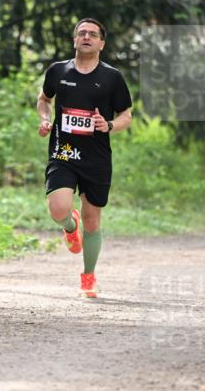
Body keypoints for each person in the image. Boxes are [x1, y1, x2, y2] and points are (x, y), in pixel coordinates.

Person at [37, 17, 133, 298]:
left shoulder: (112, 77)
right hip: (63, 151)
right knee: (58, 209)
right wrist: (45, 119)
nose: (86, 37)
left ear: (102, 43)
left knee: (92, 221)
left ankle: (88, 276)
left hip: (96, 157)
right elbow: (44, 99)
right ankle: (70, 225)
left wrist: (109, 125)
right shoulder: (58, 71)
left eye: (92, 34)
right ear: (75, 40)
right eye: (82, 33)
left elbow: (126, 115)